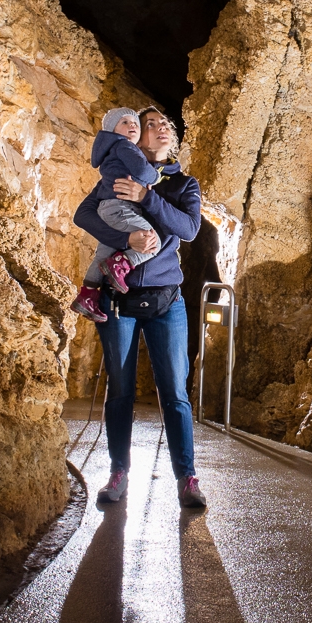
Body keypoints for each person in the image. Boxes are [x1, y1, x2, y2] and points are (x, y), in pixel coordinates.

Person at [72, 105, 207, 511]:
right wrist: (126, 239)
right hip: (120, 300)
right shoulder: (118, 174)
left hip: (167, 299)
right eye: (150, 125)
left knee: (175, 392)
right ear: (136, 137)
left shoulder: (183, 184)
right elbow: (84, 214)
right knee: (120, 390)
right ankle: (118, 473)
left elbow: (188, 229)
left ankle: (187, 478)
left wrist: (147, 196)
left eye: (164, 124)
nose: (160, 128)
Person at [71, 108, 164, 322]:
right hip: (120, 207)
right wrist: (154, 177)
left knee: (102, 255)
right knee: (153, 242)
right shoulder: (124, 146)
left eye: (135, 123)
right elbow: (142, 170)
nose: (132, 125)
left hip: (109, 209)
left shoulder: (112, 153)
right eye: (124, 122)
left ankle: (87, 295)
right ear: (112, 130)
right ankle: (121, 263)